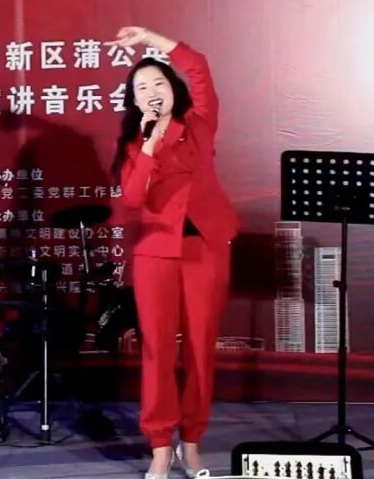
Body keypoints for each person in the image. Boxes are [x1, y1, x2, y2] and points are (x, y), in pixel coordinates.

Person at [107, 26, 239, 479]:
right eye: (141, 87)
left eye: (158, 82)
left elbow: (198, 67)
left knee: (201, 349)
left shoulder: (199, 125)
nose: (151, 91)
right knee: (158, 351)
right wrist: (148, 145)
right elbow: (132, 199)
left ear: (173, 89)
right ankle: (160, 445)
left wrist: (149, 37)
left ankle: (193, 441)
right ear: (134, 101)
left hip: (204, 247)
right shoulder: (133, 146)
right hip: (155, 253)